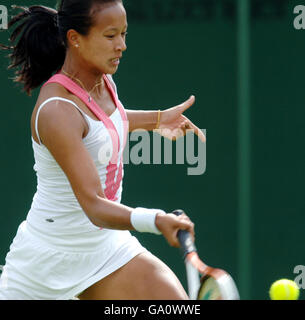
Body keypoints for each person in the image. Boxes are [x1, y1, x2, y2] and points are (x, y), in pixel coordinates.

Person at [0, 0, 205, 300]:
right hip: (44, 265)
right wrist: (156, 220)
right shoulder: (57, 110)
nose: (121, 45)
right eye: (110, 36)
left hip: (106, 249)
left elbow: (103, 124)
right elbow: (95, 205)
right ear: (74, 39)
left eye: (123, 34)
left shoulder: (103, 81)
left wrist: (158, 119)